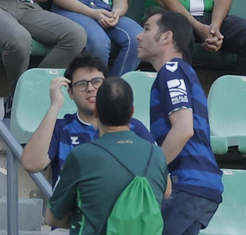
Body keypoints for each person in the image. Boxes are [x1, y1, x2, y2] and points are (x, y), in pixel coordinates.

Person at [136, 13, 224, 235]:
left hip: (187, 185)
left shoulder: (172, 71)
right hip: (203, 186)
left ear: (166, 37)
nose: (138, 36)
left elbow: (183, 129)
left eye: (146, 29)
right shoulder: (185, 72)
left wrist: (149, 174)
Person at [44, 76, 167, 235]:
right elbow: (166, 191)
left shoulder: (82, 155)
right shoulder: (157, 154)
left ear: (96, 112)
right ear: (132, 112)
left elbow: (52, 217)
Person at [18, 55, 151, 180]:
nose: (90, 88)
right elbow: (31, 164)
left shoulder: (133, 127)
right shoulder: (61, 128)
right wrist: (55, 105)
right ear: (70, 93)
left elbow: (159, 179)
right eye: (82, 84)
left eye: (97, 82)